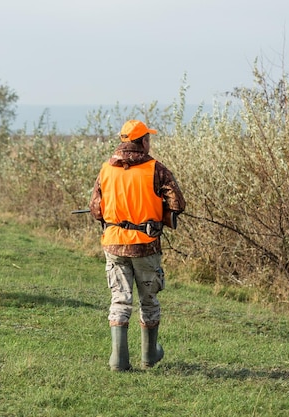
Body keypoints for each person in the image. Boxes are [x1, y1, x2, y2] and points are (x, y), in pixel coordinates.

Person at [89, 119, 185, 371]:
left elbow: (96, 210)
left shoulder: (105, 169)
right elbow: (177, 204)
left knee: (120, 300)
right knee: (149, 300)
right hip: (145, 245)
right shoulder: (156, 169)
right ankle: (149, 356)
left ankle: (118, 361)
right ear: (142, 141)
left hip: (113, 244)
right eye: (148, 138)